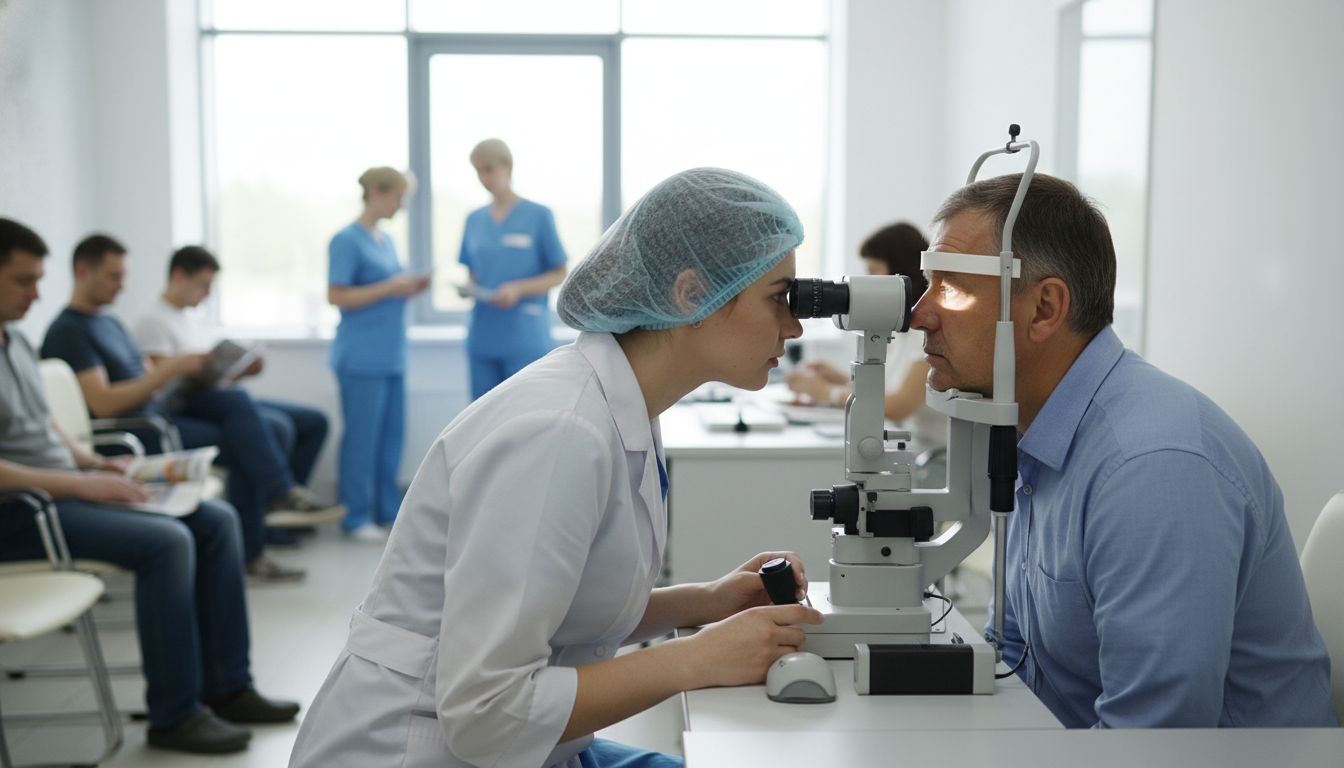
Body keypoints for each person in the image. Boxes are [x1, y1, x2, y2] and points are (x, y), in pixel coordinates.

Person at [289, 168, 823, 768]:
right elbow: (486, 713)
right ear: (691, 294)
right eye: (779, 297)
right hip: (415, 747)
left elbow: (558, 607)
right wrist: (698, 658)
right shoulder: (559, 433)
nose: (796, 325)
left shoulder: (621, 406)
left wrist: (702, 602)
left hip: (524, 744)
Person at [909, 174, 1336, 728]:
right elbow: (1013, 657)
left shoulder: (1150, 468)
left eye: (954, 290)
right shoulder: (1032, 432)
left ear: (1043, 309)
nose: (920, 314)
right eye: (928, 285)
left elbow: (1152, 740)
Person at [0, 218, 299, 754]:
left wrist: (95, 462)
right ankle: (175, 715)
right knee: (167, 542)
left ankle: (229, 686)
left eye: (38, 279)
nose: (36, 293)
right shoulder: (56, 332)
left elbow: (45, 424)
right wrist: (78, 484)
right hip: (22, 510)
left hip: (62, 489)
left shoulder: (17, 341)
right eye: (23, 281)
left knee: (216, 521)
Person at [40, 234, 341, 584]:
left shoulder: (109, 323)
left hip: (158, 416)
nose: (122, 286)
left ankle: (263, 530)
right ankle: (266, 524)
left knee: (253, 424)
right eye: (113, 276)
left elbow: (144, 377)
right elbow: (104, 404)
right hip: (137, 432)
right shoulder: (69, 331)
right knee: (252, 437)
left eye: (124, 276)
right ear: (82, 270)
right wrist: (171, 369)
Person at [132, 245, 337, 548]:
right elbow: (160, 383)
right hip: (185, 406)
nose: (207, 293)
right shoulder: (152, 321)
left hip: (215, 396)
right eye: (203, 285)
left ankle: (281, 506)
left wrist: (240, 369)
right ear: (178, 276)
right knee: (264, 421)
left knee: (311, 421)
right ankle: (280, 494)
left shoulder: (193, 316)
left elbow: (208, 369)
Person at [785, 222, 947, 474]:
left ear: (899, 272)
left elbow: (900, 404)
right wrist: (837, 378)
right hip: (907, 443)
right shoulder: (900, 329)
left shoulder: (926, 330)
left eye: (874, 271)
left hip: (935, 458)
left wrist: (827, 392)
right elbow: (886, 390)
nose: (867, 282)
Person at [327, 167, 430, 542]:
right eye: (397, 197)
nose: (401, 206)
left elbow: (386, 291)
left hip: (391, 355)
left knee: (391, 438)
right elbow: (337, 295)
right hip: (361, 358)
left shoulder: (385, 240)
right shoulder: (346, 240)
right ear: (375, 192)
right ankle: (354, 516)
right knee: (362, 439)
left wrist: (409, 288)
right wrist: (390, 286)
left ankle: (387, 510)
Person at [457, 138, 569, 400]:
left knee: (526, 417)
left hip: (524, 336)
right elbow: (473, 274)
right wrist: (468, 289)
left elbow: (560, 272)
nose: (484, 177)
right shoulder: (474, 220)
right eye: (478, 171)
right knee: (481, 422)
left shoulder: (539, 215)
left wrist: (518, 288)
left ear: (507, 166)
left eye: (489, 169)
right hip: (483, 336)